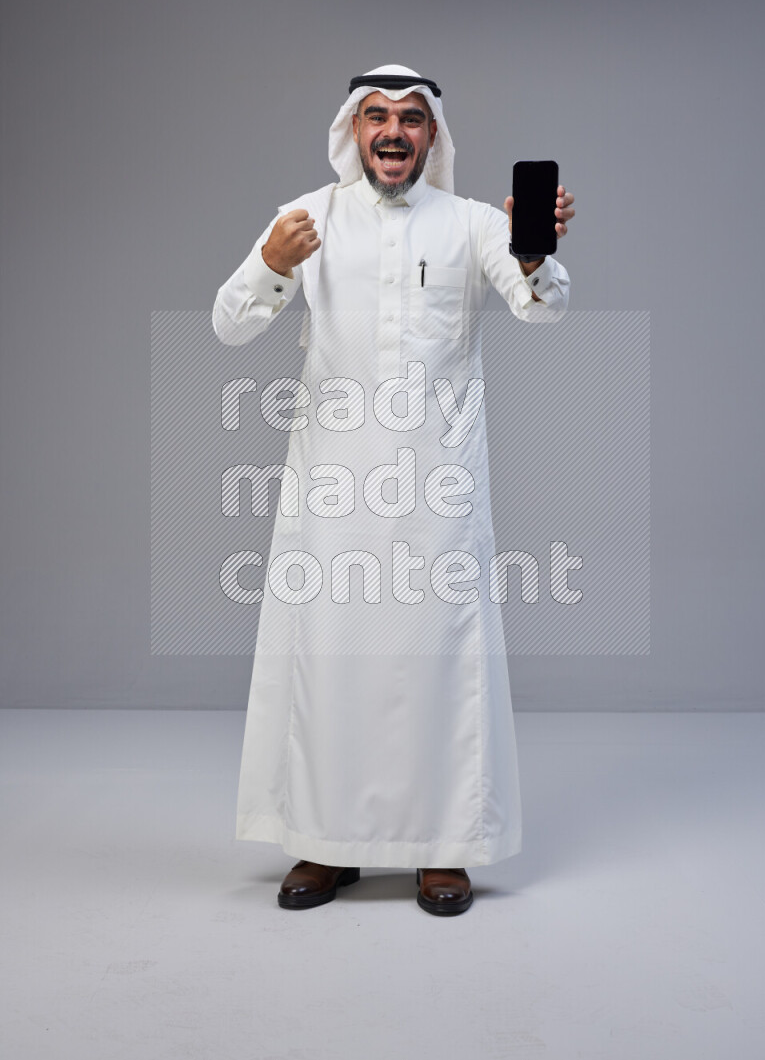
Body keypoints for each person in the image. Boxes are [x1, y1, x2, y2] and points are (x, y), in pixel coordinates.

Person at [212, 64, 575, 916]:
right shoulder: (308, 216)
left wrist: (533, 253)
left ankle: (443, 848)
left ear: (434, 136)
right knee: (330, 663)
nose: (393, 131)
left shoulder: (475, 222)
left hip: (437, 492)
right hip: (332, 490)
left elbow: (542, 306)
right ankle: (324, 843)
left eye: (411, 119)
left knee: (438, 662)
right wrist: (270, 262)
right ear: (352, 129)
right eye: (376, 116)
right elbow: (230, 322)